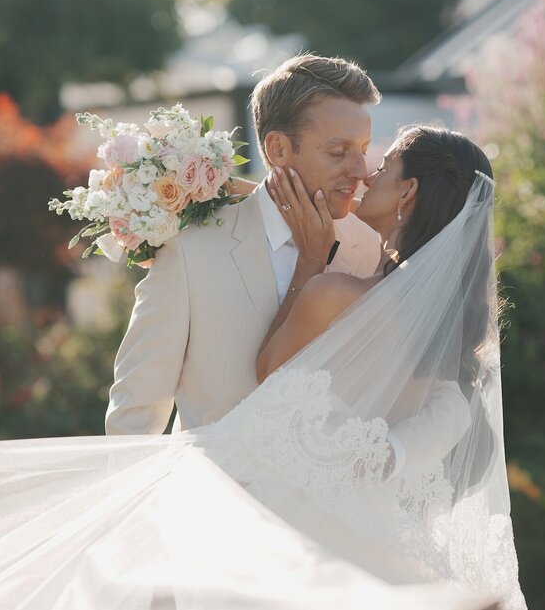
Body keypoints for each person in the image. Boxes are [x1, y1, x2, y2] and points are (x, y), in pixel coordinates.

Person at [0, 125, 529, 610]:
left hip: (239, 497)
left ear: (410, 194)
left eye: (382, 164)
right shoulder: (452, 337)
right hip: (348, 529)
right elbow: (413, 430)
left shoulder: (337, 289)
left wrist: (309, 272)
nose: (365, 172)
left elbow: (275, 372)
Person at [105, 53, 384, 435]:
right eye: (338, 152)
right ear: (277, 149)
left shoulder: (369, 250)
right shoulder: (189, 251)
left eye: (363, 150)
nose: (359, 170)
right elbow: (134, 415)